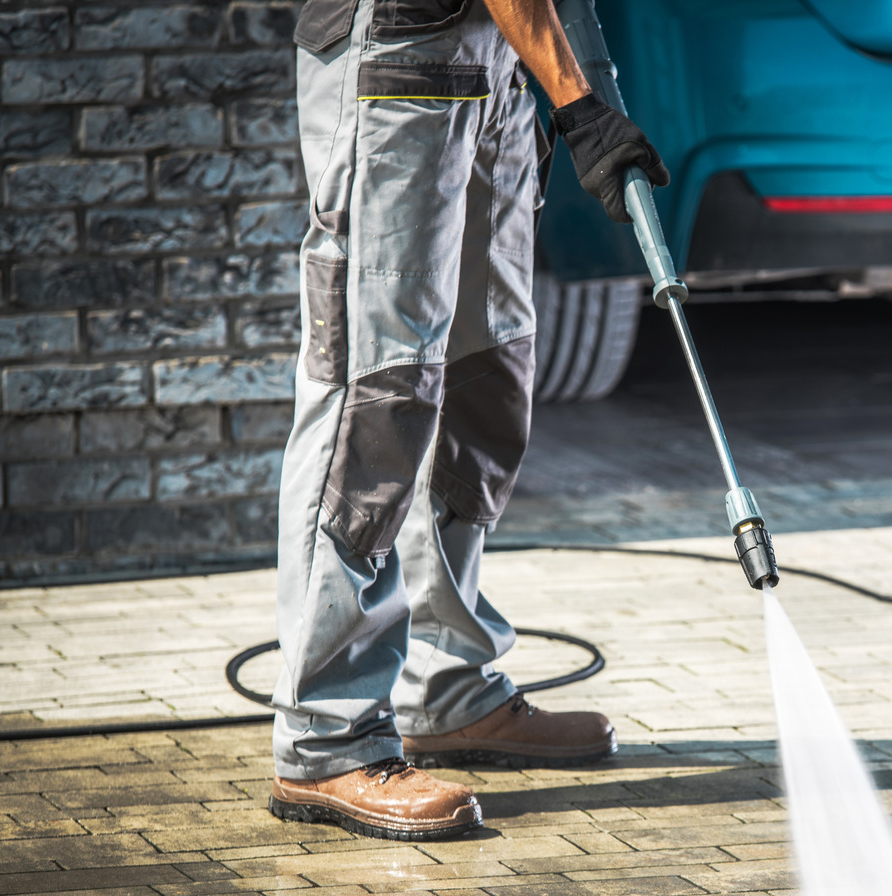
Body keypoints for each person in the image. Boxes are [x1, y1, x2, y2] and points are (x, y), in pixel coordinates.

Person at [270, 0, 669, 841]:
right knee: (376, 396)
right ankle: (328, 735)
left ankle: (447, 685)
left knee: (485, 379)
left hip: (493, 70)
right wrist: (577, 99)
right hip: (396, 61)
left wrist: (576, 82)